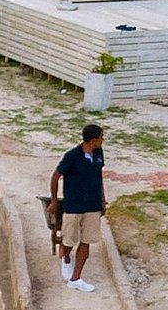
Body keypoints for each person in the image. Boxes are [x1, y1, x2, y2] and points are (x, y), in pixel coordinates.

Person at [49, 124, 107, 292]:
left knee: (86, 240)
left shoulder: (99, 153)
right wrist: (54, 200)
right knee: (69, 240)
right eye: (101, 138)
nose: (102, 140)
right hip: (73, 205)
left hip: (92, 205)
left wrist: (102, 200)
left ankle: (75, 278)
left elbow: (99, 177)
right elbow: (56, 176)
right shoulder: (72, 156)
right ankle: (66, 256)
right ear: (93, 140)